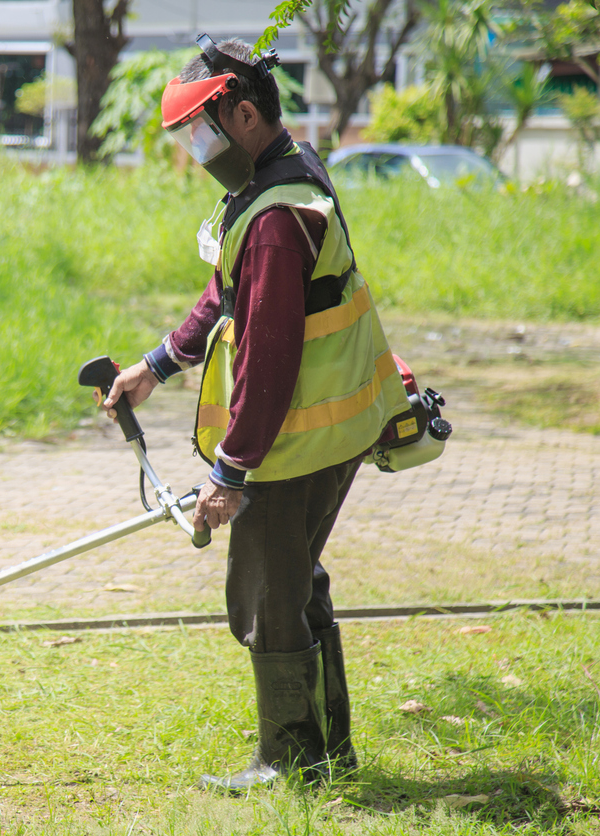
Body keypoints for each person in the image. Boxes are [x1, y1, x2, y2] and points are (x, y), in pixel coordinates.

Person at [103, 36, 409, 791]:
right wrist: (157, 364)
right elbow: (227, 293)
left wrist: (230, 473)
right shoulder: (283, 176)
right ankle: (326, 754)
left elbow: (268, 360)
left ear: (243, 113)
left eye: (200, 131)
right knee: (293, 581)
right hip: (328, 431)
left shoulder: (276, 216)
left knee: (268, 596)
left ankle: (293, 765)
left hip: (295, 441)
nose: (195, 148)